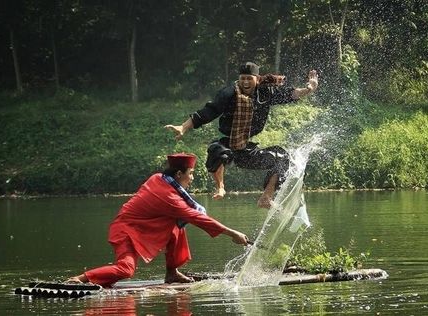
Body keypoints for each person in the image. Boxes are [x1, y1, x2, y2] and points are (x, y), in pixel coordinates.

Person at [67, 153, 249, 287]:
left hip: (138, 228)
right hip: (124, 231)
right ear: (178, 174)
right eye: (191, 173)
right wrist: (232, 233)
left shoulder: (158, 178)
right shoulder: (169, 198)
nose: (192, 178)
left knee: (177, 226)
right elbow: (198, 218)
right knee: (126, 270)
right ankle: (80, 279)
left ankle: (171, 273)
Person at [165, 62, 318, 208]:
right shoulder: (229, 93)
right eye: (242, 78)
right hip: (227, 144)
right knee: (217, 151)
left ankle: (266, 197)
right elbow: (209, 111)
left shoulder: (265, 92)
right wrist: (184, 127)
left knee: (283, 158)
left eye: (249, 78)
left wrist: (309, 88)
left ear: (257, 79)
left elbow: (290, 94)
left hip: (245, 150)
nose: (245, 82)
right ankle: (220, 187)